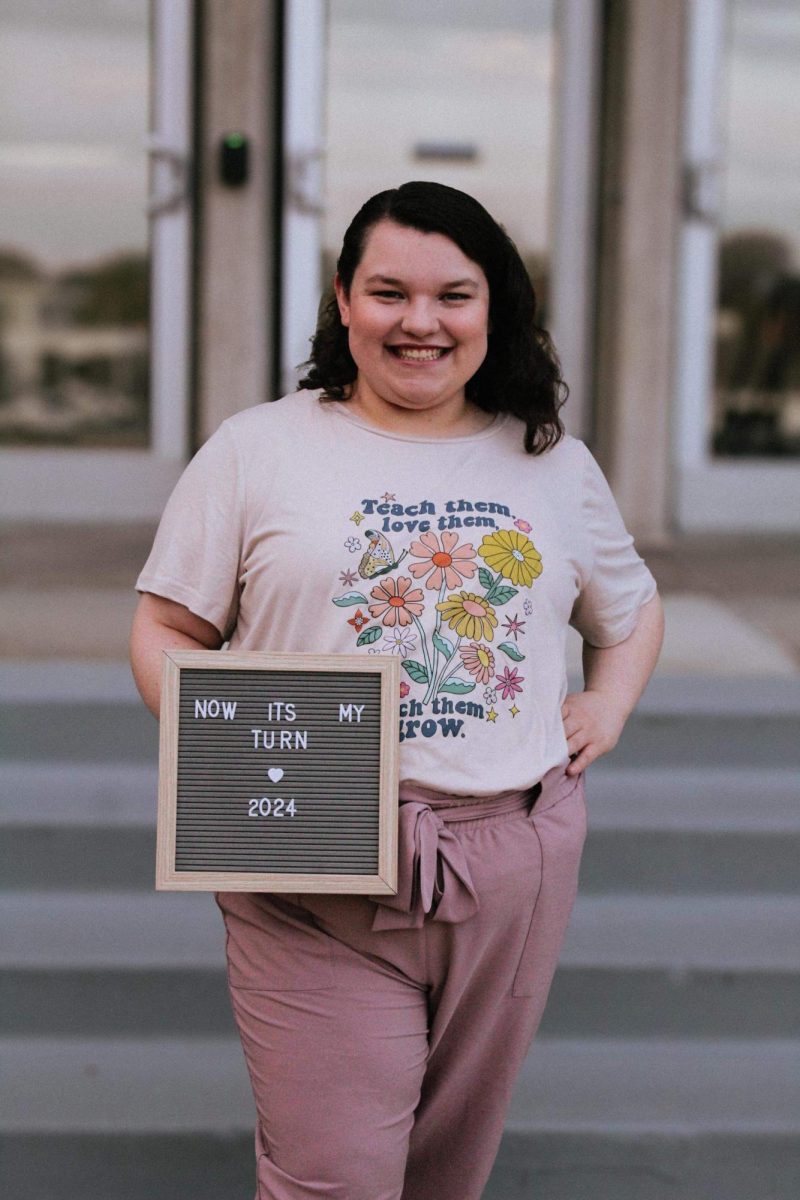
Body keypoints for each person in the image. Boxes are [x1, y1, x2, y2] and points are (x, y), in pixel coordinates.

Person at [130, 181, 664, 1200]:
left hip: (513, 856)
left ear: (491, 306)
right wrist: (232, 743)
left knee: (442, 1175)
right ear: (342, 300)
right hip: (315, 855)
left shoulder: (550, 462)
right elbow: (164, 628)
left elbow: (629, 611)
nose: (419, 322)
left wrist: (606, 703)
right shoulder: (257, 449)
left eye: (452, 295)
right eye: (387, 292)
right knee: (335, 1178)